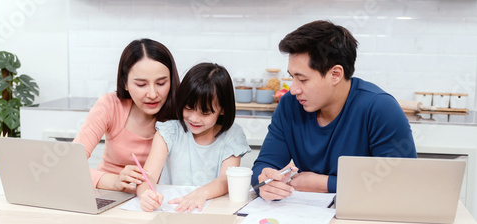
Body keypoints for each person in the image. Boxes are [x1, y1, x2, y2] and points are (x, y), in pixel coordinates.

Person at [252, 20, 417, 201]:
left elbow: (402, 182)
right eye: (292, 77)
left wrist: (324, 184)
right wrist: (265, 182)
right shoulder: (290, 105)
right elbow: (263, 166)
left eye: (303, 80)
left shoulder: (380, 108)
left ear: (335, 74)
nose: (293, 89)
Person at [137, 62, 251, 212]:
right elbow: (148, 177)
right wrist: (145, 194)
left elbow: (226, 180)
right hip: (172, 209)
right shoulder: (169, 131)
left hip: (212, 211)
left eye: (205, 113)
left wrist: (201, 193)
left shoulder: (232, 135)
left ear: (222, 109)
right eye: (188, 108)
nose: (194, 118)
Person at [73, 38, 180, 193]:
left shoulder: (183, 112)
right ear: (125, 83)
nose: (152, 94)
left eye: (161, 83)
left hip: (159, 196)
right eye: (141, 85)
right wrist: (115, 181)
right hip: (110, 192)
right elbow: (69, 164)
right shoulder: (110, 105)